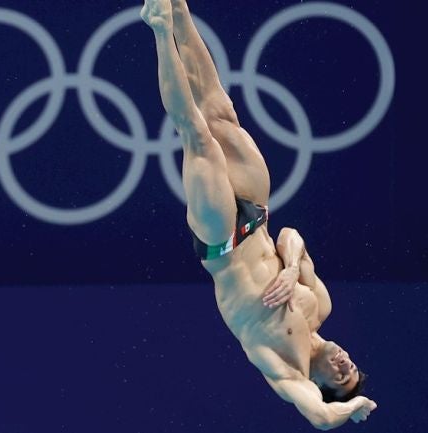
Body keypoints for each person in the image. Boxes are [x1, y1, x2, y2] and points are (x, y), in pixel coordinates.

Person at [140, 0, 377, 429]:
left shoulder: (285, 368)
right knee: (220, 113)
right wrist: (290, 270)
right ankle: (177, 10)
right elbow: (291, 235)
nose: (345, 363)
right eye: (353, 365)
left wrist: (349, 407)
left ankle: (158, 29)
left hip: (223, 245)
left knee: (198, 136)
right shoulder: (318, 305)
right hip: (257, 219)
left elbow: (321, 418)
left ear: (320, 382)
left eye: (342, 377)